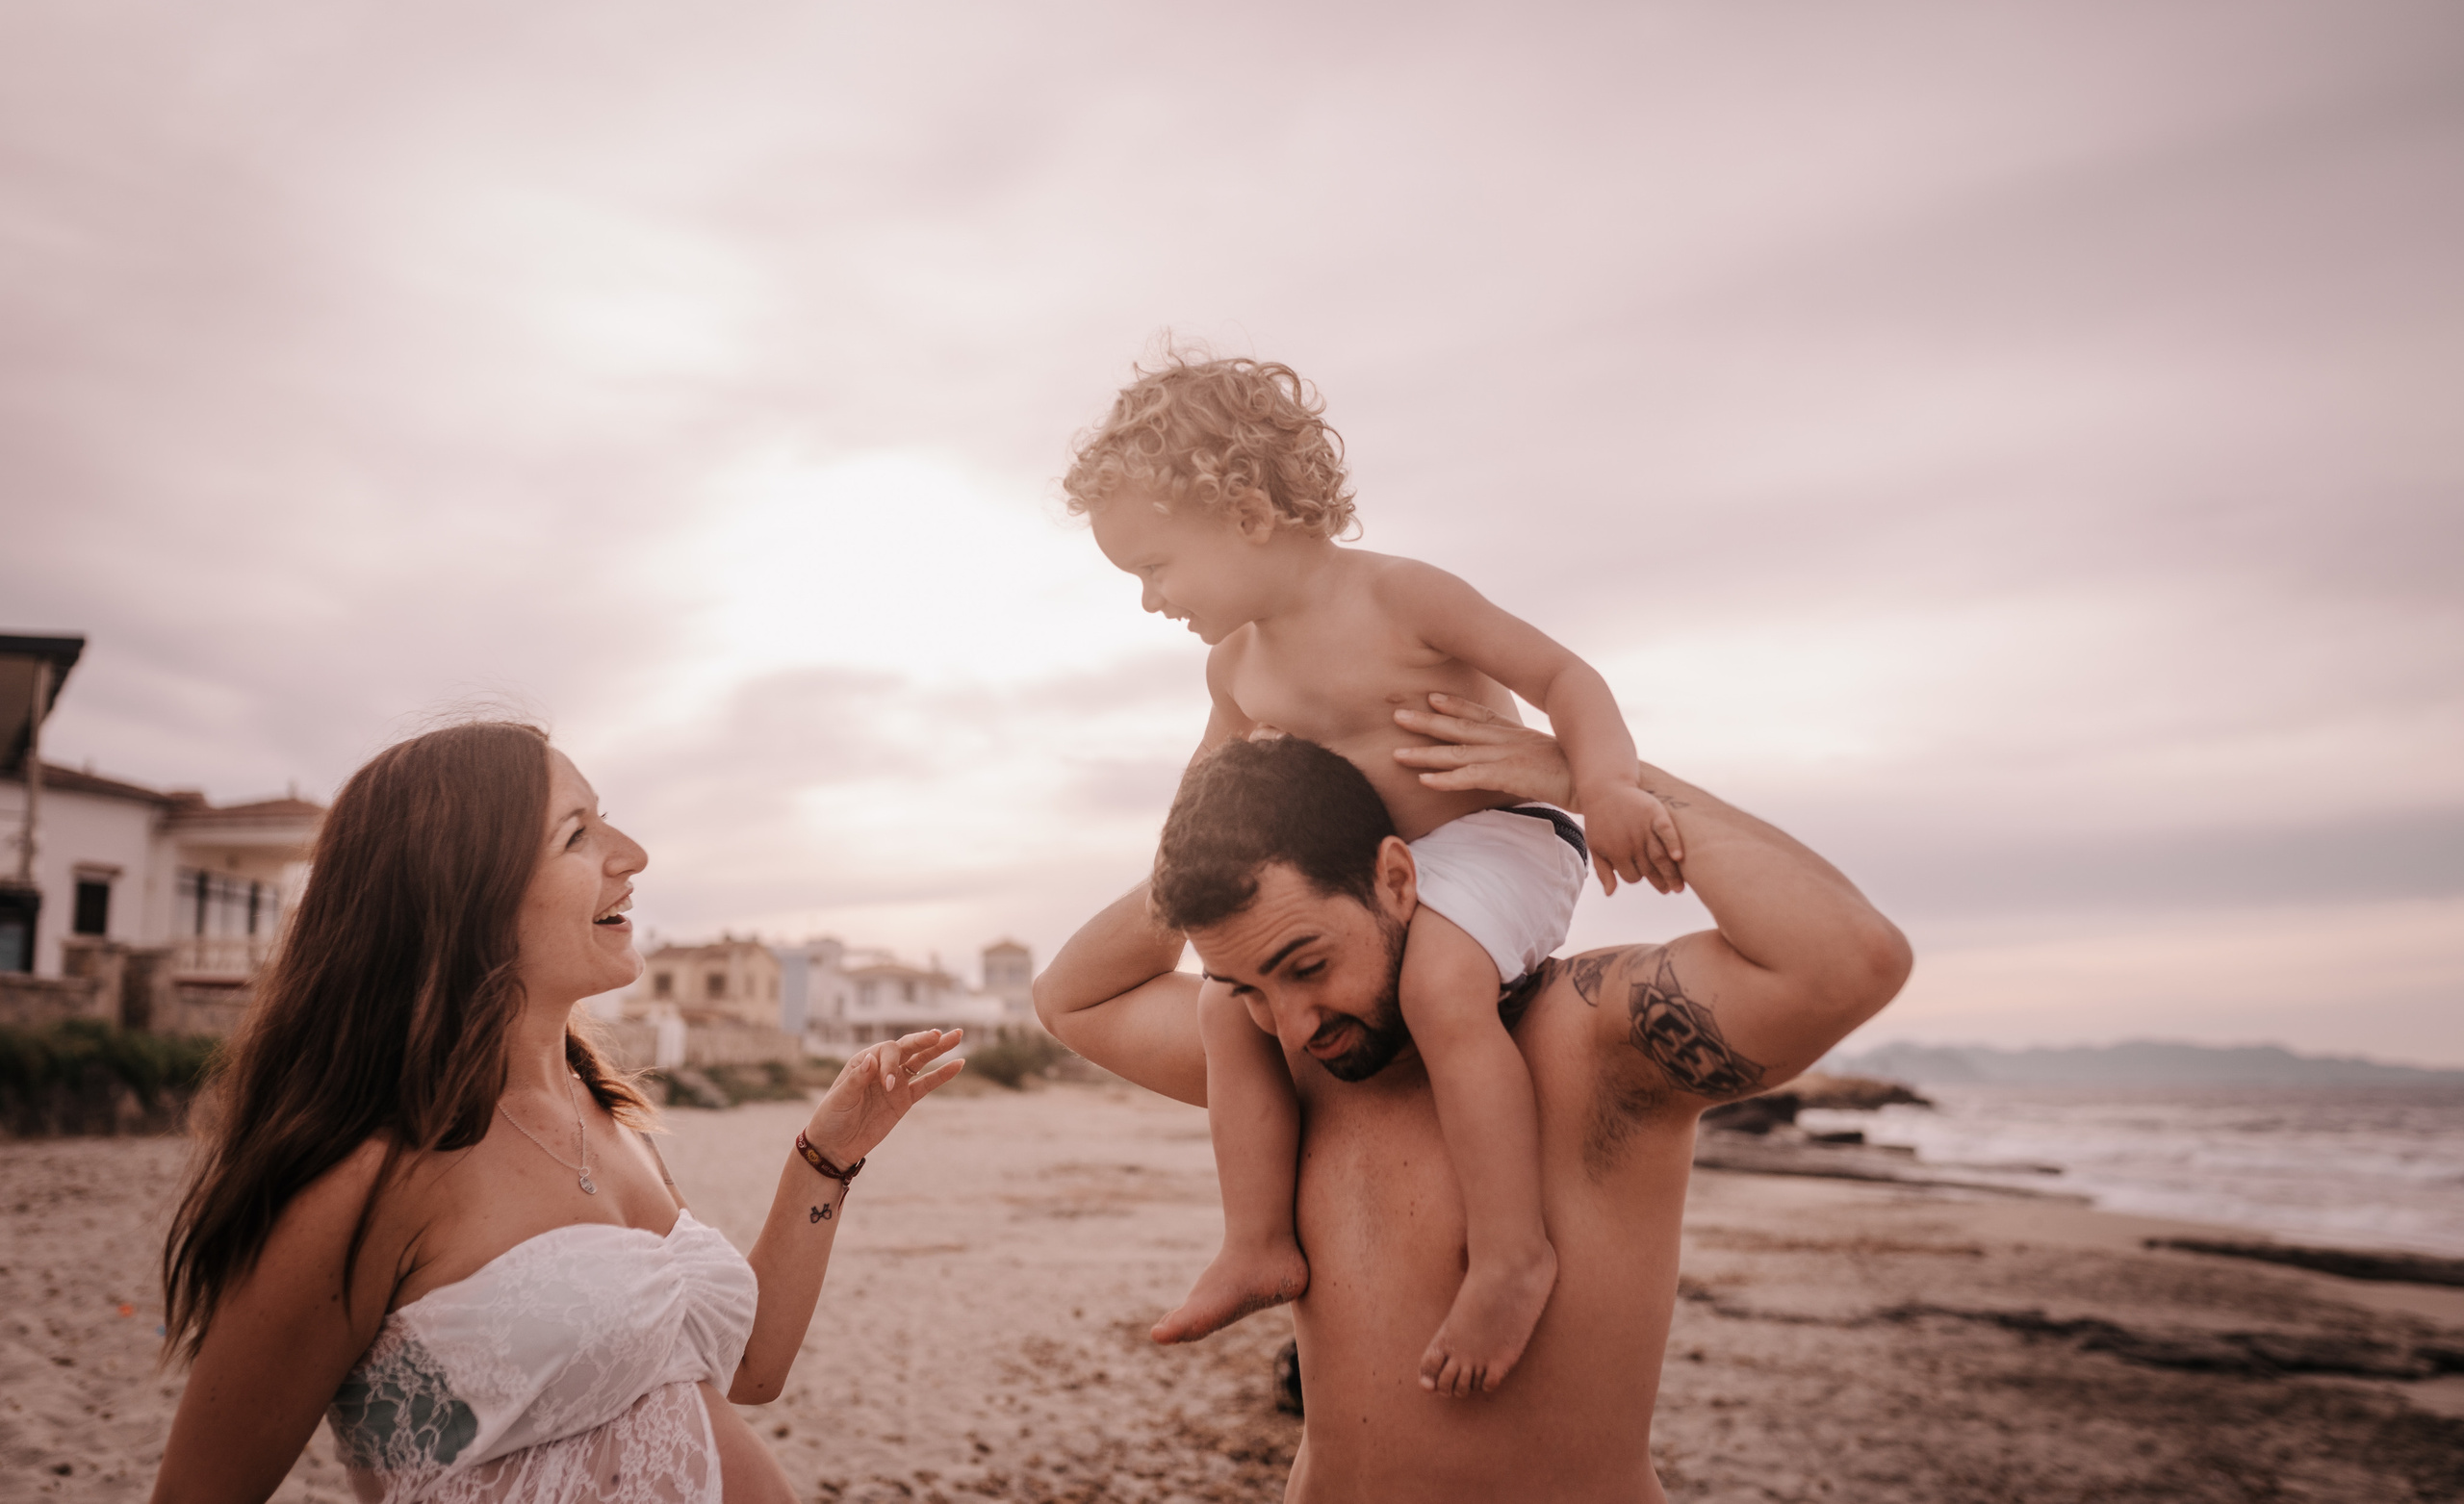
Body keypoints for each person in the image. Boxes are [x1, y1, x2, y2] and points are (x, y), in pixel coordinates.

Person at [1034, 694, 1911, 1502]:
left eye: (1308, 964)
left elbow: (1849, 958)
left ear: (1396, 878)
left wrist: (1596, 783)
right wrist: (1222, 829)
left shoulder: (1592, 1037)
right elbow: (1070, 997)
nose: (1292, 1021)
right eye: (1244, 986)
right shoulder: (1288, 1067)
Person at [1062, 354, 1685, 1394]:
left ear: (1247, 513)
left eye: (1156, 567)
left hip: (1502, 839)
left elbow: (1564, 676)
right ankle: (1260, 1241)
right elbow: (1200, 805)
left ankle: (1509, 1254)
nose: (1148, 600)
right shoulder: (1237, 668)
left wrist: (1608, 783)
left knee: (1442, 985)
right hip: (1367, 886)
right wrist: (1191, 907)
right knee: (1230, 1008)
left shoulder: (1400, 596)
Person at [151, 721, 964, 1504]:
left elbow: (751, 1368)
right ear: (464, 892)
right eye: (578, 834)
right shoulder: (368, 1171)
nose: (633, 854)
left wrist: (825, 1156)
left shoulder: (603, 1112)